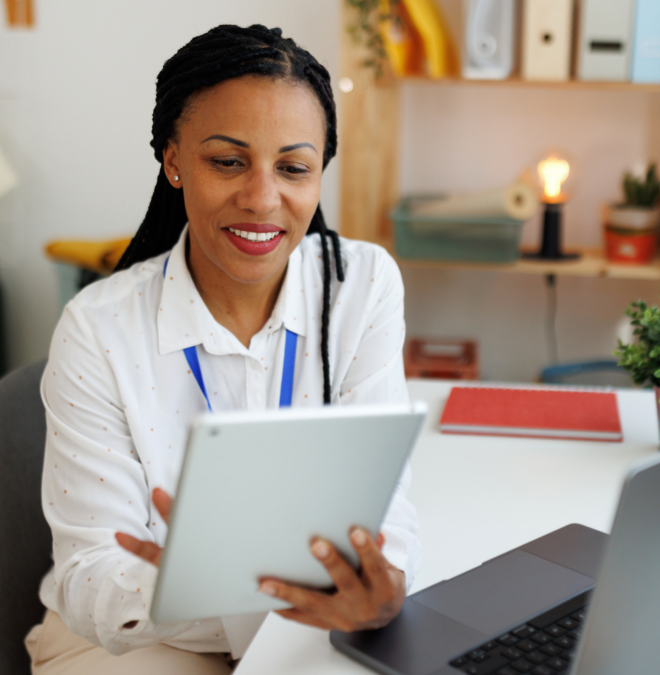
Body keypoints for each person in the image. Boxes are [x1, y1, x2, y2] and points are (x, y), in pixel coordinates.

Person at [24, 24, 421, 675]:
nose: (263, 198)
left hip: (312, 625)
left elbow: (387, 508)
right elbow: (94, 577)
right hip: (140, 636)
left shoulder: (363, 286)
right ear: (174, 160)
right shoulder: (97, 328)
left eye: (293, 167)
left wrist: (382, 589)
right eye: (228, 161)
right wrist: (223, 583)